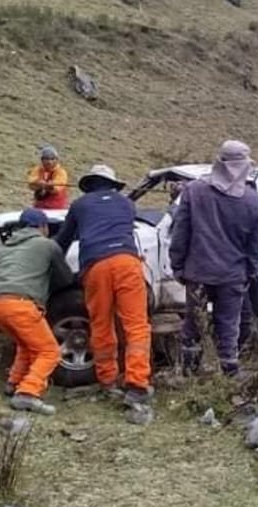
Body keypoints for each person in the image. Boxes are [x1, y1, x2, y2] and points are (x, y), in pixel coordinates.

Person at [53, 165, 152, 405]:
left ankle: (107, 380)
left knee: (101, 323)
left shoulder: (80, 205)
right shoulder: (126, 204)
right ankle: (137, 384)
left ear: (89, 185)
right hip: (127, 263)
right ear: (112, 184)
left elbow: (63, 240)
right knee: (136, 324)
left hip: (96, 266)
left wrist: (54, 266)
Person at [169, 140, 258, 376]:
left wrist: (178, 265)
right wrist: (250, 272)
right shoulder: (253, 201)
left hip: (198, 271)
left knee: (194, 322)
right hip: (232, 275)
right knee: (228, 324)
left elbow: (181, 232)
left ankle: (189, 371)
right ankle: (229, 370)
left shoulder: (194, 191)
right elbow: (257, 246)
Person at [0, 208, 75, 415]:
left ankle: (14, 383)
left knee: (26, 344)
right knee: (49, 352)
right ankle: (28, 393)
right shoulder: (47, 245)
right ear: (42, 227)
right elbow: (65, 279)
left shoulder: (3, 246)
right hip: (19, 304)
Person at [27, 146, 70, 210]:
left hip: (56, 207)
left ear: (57, 160)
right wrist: (38, 183)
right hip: (39, 205)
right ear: (42, 160)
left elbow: (58, 187)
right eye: (46, 159)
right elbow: (31, 184)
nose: (49, 162)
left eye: (52, 159)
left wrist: (50, 185)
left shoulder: (61, 172)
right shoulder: (37, 170)